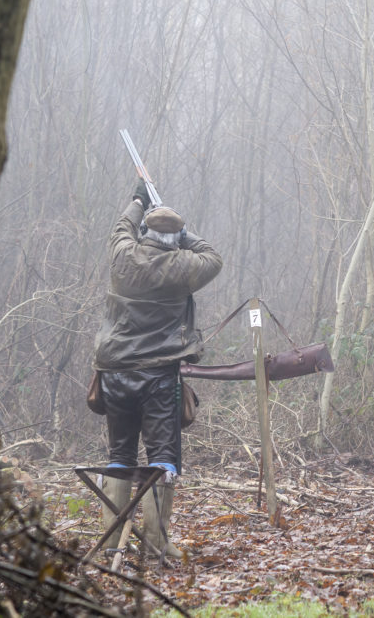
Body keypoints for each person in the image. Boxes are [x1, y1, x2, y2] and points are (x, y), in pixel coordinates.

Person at [92, 181, 222, 559]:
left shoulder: (123, 257)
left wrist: (138, 201)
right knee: (162, 456)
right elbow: (212, 255)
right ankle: (156, 545)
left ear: (145, 232)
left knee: (119, 454)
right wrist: (184, 234)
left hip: (114, 372)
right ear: (176, 239)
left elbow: (121, 228)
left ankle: (112, 542)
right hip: (159, 376)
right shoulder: (184, 265)